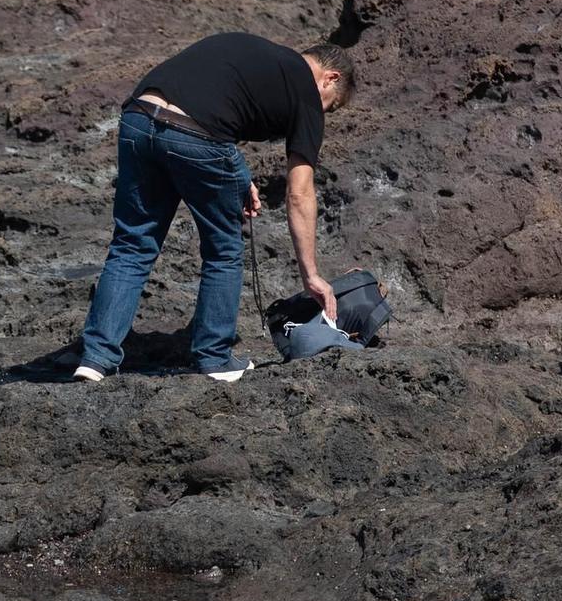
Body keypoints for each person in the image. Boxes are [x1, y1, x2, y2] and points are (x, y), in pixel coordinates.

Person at [73, 34, 354, 383]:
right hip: (196, 135)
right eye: (332, 105)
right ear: (331, 78)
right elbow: (299, 193)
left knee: (132, 244)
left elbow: (214, 110)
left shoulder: (257, 54)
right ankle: (215, 357)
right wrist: (311, 274)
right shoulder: (307, 94)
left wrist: (238, 175)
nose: (325, 111)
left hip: (138, 117)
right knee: (224, 250)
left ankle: (95, 358)